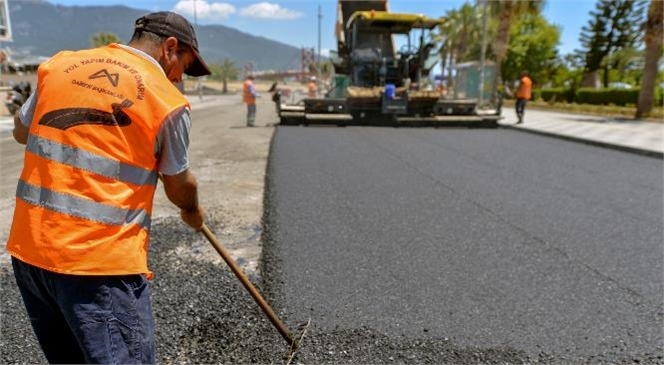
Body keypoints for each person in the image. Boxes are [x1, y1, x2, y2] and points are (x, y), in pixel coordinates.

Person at [7, 11, 209, 364]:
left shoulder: (60, 66)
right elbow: (178, 185)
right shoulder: (166, 100)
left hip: (31, 253)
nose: (179, 78)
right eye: (184, 67)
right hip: (99, 267)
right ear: (170, 47)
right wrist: (191, 210)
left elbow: (22, 132)